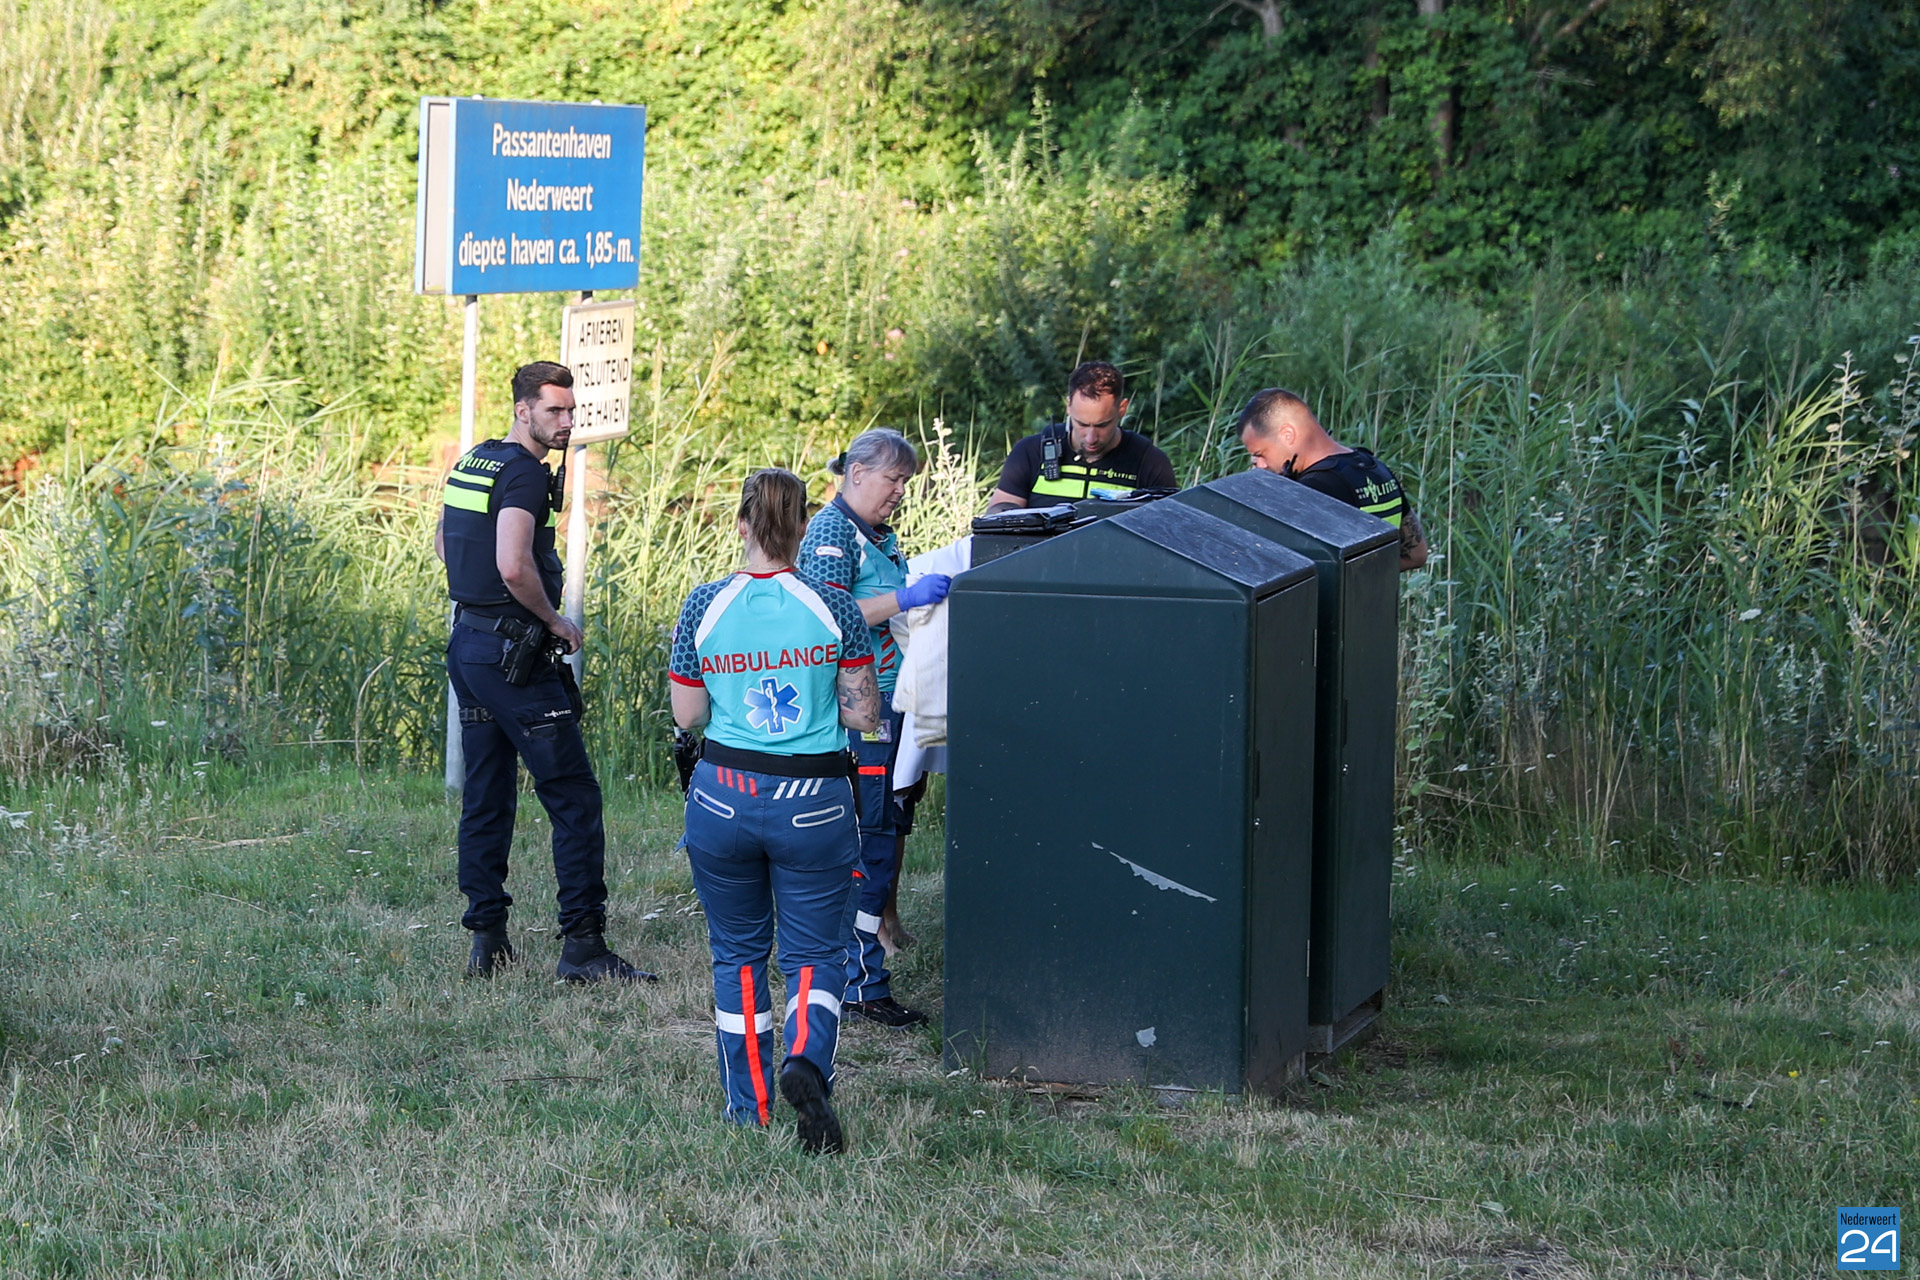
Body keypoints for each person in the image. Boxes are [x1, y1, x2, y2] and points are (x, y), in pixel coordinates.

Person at [669, 468, 883, 1154]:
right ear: (801, 528)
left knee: (736, 955)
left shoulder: (703, 605)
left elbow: (688, 714)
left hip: (722, 797)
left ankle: (749, 1106)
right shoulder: (835, 606)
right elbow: (864, 715)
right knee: (815, 952)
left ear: (741, 525)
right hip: (813, 802)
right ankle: (807, 1062)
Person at [436, 361, 653, 983]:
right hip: (514, 656)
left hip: (470, 645)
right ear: (523, 409)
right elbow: (513, 563)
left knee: (487, 792)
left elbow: (446, 543)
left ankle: (488, 941)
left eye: (570, 410)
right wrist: (553, 619)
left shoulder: (475, 461)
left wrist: (482, 596)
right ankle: (584, 947)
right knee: (573, 796)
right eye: (554, 410)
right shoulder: (526, 473)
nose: (566, 421)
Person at [798, 429, 951, 1028]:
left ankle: (863, 972)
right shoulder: (832, 533)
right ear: (856, 473)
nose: (900, 491)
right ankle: (862, 983)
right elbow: (825, 616)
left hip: (892, 697)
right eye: (893, 479)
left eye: (906, 482)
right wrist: (906, 599)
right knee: (869, 840)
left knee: (885, 826)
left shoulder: (878, 534)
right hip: (860, 707)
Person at [1237, 387, 1430, 572]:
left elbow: (1276, 570)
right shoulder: (1376, 469)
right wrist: (1369, 574)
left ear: (1288, 434)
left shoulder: (1313, 489)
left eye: (1260, 453)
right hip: (1379, 595)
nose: (1260, 465)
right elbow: (1416, 555)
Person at [985, 361, 1177, 512]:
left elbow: (1170, 530)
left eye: (1102, 425)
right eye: (1082, 424)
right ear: (1068, 406)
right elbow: (997, 515)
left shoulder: (1149, 462)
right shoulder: (1030, 452)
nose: (1091, 437)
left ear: (1122, 409)